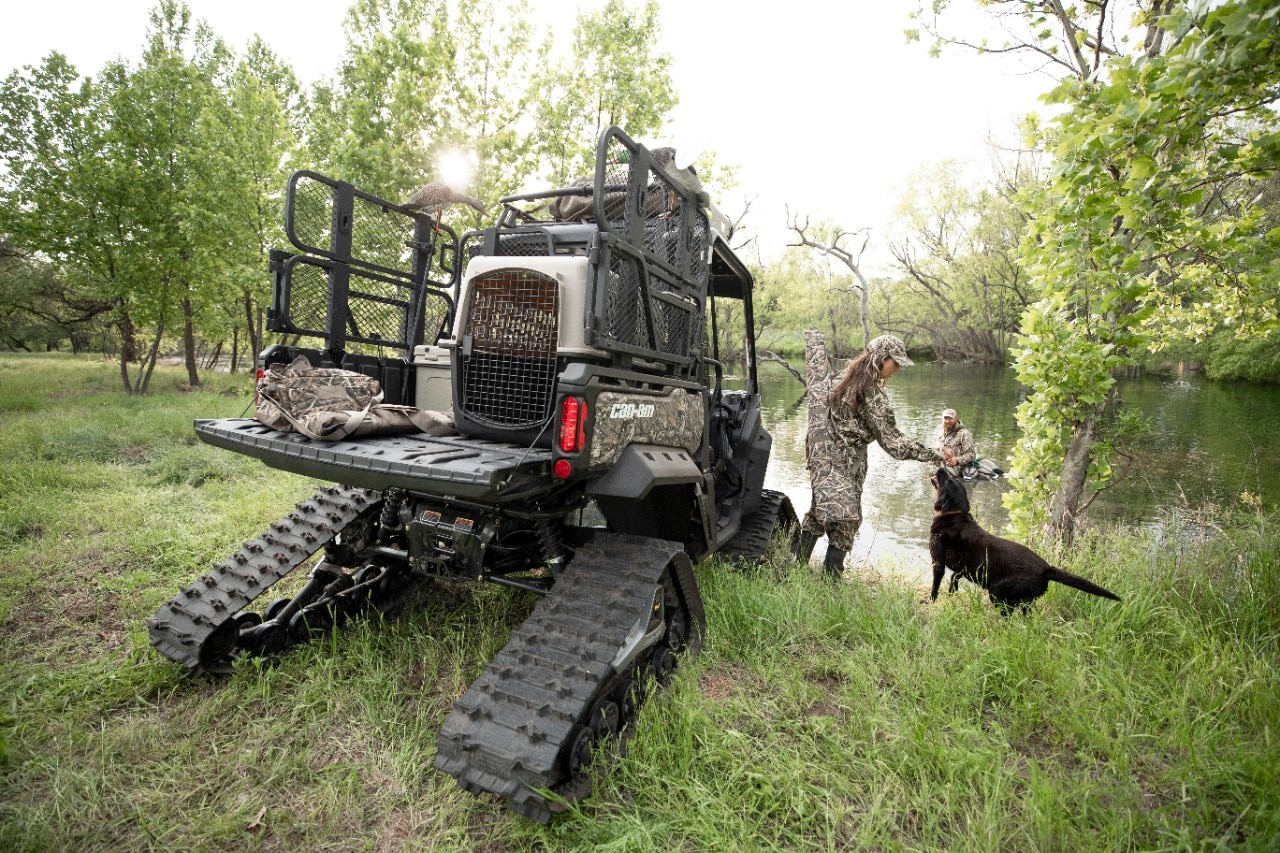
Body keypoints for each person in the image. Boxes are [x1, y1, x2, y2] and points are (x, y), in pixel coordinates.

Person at [792, 330, 944, 579]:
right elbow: (894, 444)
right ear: (881, 358)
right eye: (896, 363)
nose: (897, 369)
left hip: (821, 459)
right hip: (846, 464)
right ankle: (831, 580)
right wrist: (934, 454)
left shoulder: (840, 378)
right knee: (848, 520)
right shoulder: (871, 393)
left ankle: (794, 567)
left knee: (820, 511)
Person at [937, 408, 976, 478]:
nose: (947, 421)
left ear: (956, 419)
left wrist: (957, 460)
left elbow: (972, 454)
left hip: (957, 471)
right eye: (945, 418)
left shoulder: (964, 434)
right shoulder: (941, 432)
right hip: (943, 467)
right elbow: (938, 449)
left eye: (950, 418)